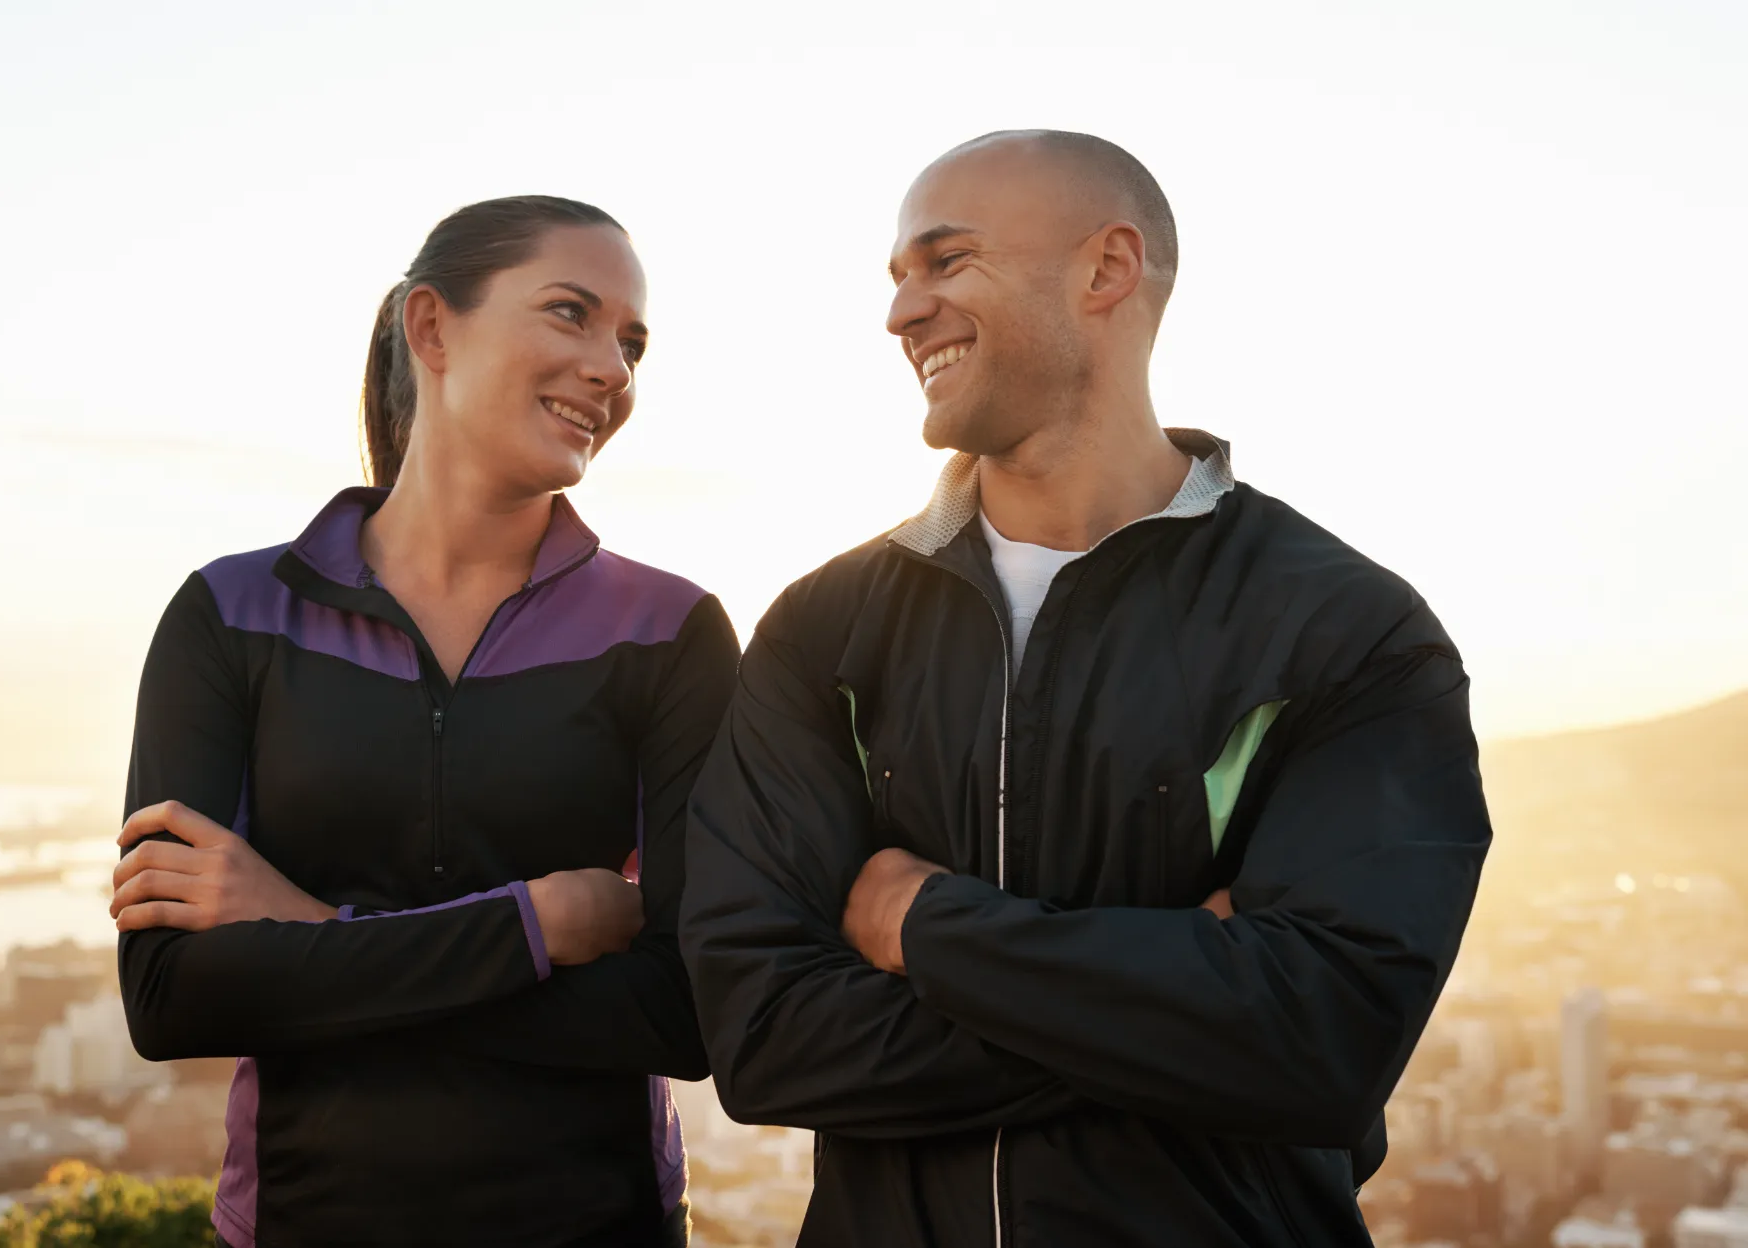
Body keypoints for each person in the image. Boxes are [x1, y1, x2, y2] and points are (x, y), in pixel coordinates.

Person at [680, 132, 1491, 1246]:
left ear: (1107, 268)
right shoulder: (823, 629)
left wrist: (923, 925)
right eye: (899, 276)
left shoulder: (1345, 630)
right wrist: (1179, 996)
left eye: (947, 261)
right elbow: (765, 1038)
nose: (901, 312)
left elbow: (1322, 1040)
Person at [111, 196, 738, 1248]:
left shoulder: (669, 632)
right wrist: (535, 926)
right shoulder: (232, 616)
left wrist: (311, 929)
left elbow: (683, 1012)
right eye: (572, 313)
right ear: (433, 327)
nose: (612, 369)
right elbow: (173, 999)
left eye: (631, 344)